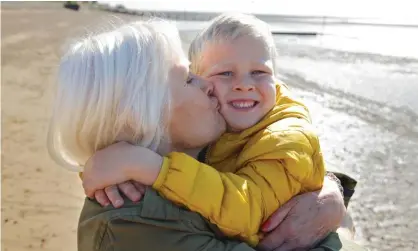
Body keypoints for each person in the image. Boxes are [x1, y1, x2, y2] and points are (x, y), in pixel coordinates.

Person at [48, 19, 364, 251]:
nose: (207, 85)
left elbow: (278, 169)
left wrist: (330, 190)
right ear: (142, 111)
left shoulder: (213, 148)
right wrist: (343, 232)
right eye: (188, 79)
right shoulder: (132, 225)